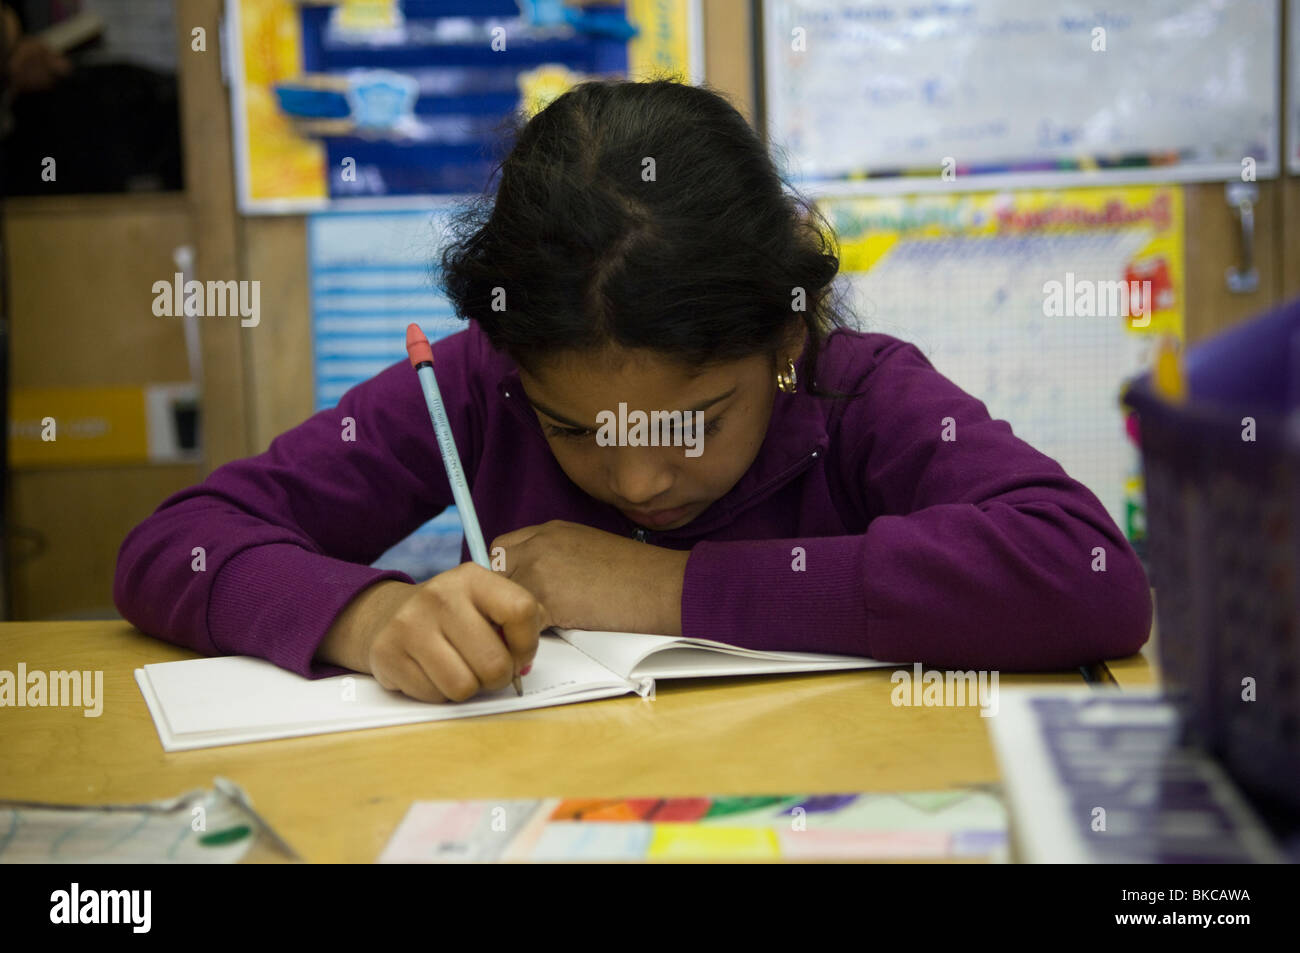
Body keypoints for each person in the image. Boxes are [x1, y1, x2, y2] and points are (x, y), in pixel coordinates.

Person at [114, 79, 1152, 703]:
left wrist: (666, 589)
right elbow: (178, 540)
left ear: (786, 333)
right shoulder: (481, 383)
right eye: (573, 426)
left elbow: (1090, 570)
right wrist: (368, 613)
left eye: (693, 419)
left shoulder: (857, 394)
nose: (637, 476)